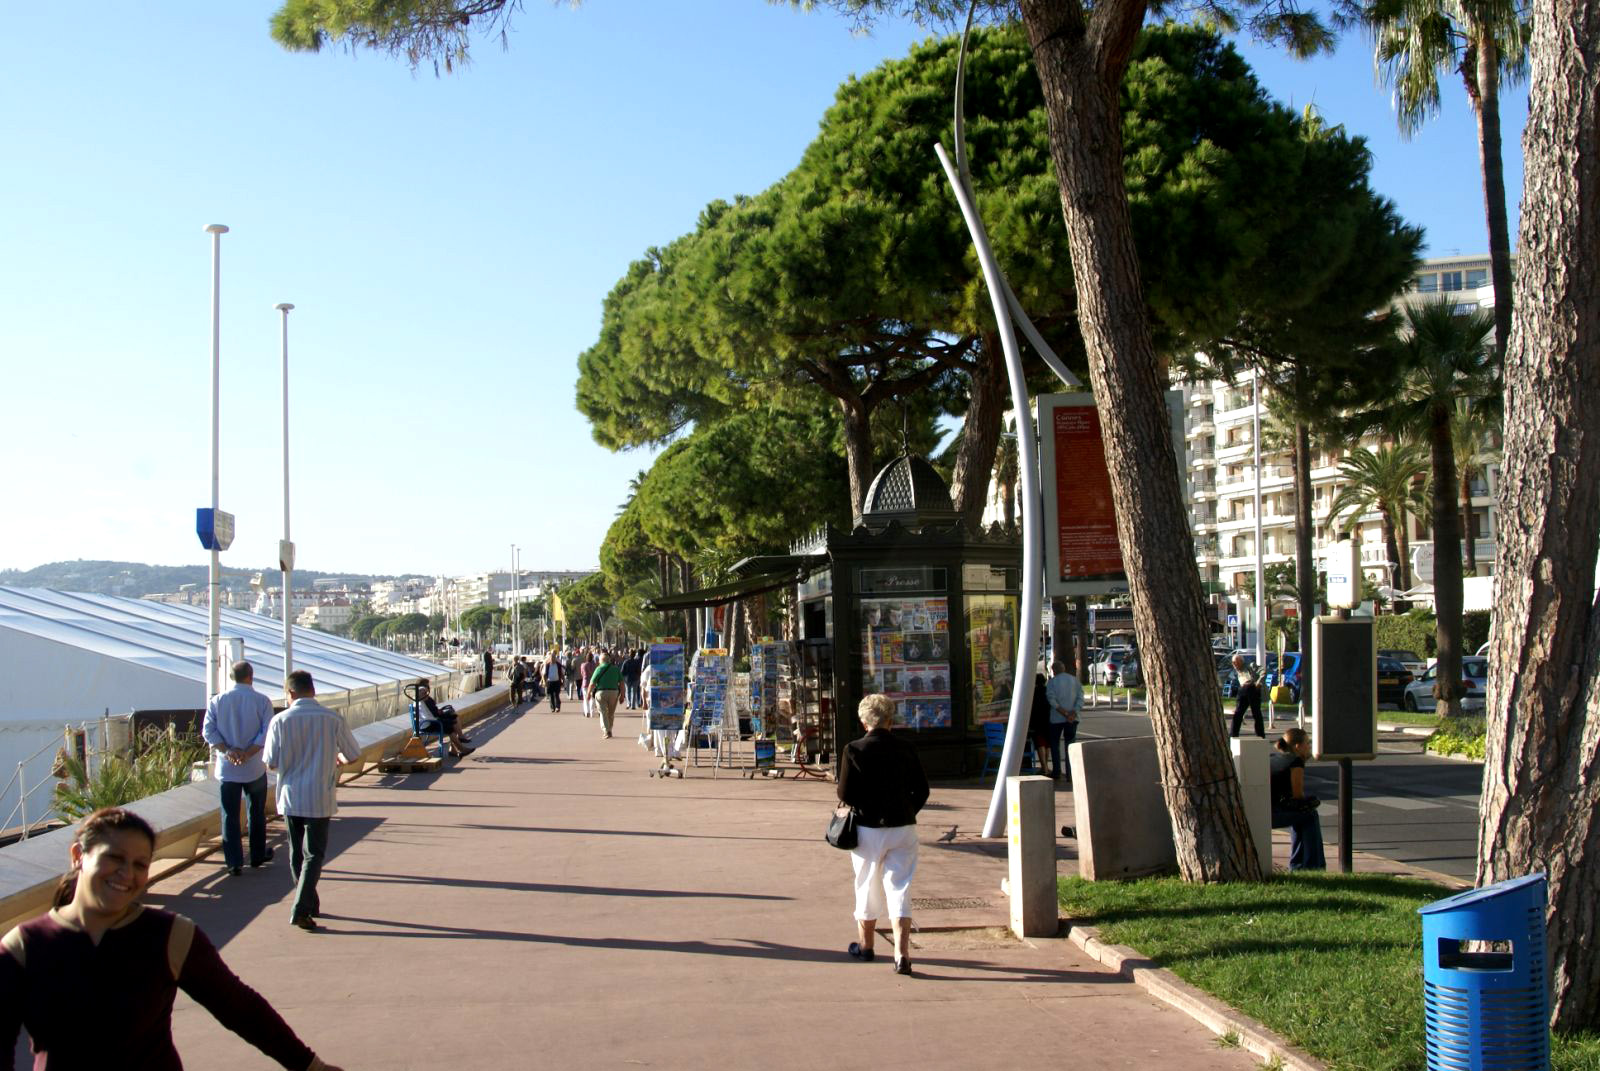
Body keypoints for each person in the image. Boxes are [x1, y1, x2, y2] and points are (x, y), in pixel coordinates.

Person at [0, 807, 344, 1070]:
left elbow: (240, 1008)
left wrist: (309, 1066)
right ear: (78, 856)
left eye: (140, 864)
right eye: (114, 858)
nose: (127, 874)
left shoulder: (170, 935)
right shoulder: (25, 946)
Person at [837, 693, 930, 976]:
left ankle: (866, 946)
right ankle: (901, 953)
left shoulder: (854, 749)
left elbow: (845, 793)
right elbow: (922, 789)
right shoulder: (907, 748)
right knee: (899, 886)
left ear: (864, 721)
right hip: (903, 827)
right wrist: (907, 810)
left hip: (867, 829)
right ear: (891, 720)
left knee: (866, 884)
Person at [263, 670, 361, 931]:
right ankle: (302, 907)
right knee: (314, 854)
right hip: (319, 795)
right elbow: (353, 754)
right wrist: (337, 760)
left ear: (290, 693)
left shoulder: (279, 721)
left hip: (290, 796)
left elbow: (270, 762)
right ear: (313, 690)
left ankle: (307, 902)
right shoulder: (332, 719)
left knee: (297, 853)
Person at [201, 660, 276, 877]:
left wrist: (228, 751)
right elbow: (267, 732)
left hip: (228, 768)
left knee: (229, 815)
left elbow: (208, 731)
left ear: (231, 677)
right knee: (256, 812)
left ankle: (234, 861)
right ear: (251, 676)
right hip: (254, 767)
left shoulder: (217, 701)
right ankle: (257, 854)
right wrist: (248, 753)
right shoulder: (262, 701)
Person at [1270, 728, 1326, 871]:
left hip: (1265, 809)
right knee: (1310, 815)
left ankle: (1298, 864)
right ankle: (1313, 865)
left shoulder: (1275, 757)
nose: (1309, 747)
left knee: (1300, 816)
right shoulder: (1296, 762)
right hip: (1272, 814)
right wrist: (1309, 802)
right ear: (1297, 746)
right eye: (1307, 743)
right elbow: (1298, 795)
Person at [1045, 659, 1085, 781]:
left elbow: (1052, 700)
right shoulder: (1074, 680)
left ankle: (1057, 771)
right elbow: (1080, 698)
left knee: (1054, 744)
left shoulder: (1052, 683)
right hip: (1073, 719)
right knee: (1070, 745)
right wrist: (1073, 713)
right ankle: (1070, 773)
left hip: (1056, 719)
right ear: (1064, 669)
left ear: (1053, 671)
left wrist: (1064, 713)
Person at [414, 679, 476, 757]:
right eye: (426, 686)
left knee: (453, 720)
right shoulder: (421, 698)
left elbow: (432, 711)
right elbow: (432, 713)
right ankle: (461, 748)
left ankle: (455, 748)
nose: (428, 689)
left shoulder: (421, 698)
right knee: (450, 726)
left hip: (429, 721)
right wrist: (424, 690)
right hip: (428, 724)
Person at [588, 649, 623, 738]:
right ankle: (609, 729)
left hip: (601, 693)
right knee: (611, 713)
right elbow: (622, 683)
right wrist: (622, 695)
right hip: (614, 693)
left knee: (603, 712)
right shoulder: (616, 669)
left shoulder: (599, 669)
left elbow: (592, 683)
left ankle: (606, 731)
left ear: (601, 660)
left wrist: (588, 693)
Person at [1229, 653, 1264, 739]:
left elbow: (1263, 671)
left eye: (1236, 662)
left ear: (1241, 661)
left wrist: (1258, 682)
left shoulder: (1250, 666)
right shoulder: (1237, 670)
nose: (1234, 665)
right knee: (1238, 713)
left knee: (1256, 713)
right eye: (1233, 663)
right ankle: (1233, 735)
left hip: (1252, 688)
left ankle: (1260, 735)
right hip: (1242, 690)